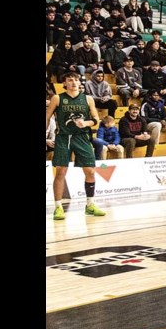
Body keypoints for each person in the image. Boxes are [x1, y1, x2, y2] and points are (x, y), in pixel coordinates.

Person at [46, 72, 107, 220]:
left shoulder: (88, 99)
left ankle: (90, 205)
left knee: (90, 171)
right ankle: (58, 207)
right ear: (65, 83)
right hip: (63, 137)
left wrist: (85, 123)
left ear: (80, 82)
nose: (73, 82)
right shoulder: (57, 98)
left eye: (76, 80)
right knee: (61, 172)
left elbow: (96, 119)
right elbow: (47, 118)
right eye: (70, 80)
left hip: (82, 137)